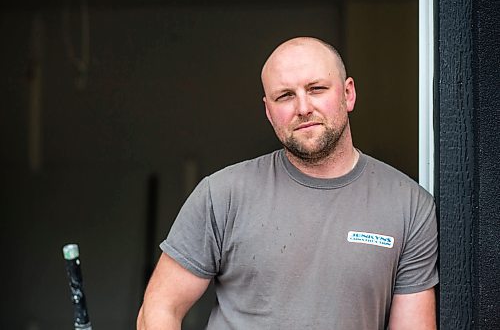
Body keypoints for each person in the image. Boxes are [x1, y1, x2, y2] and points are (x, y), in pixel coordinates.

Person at [137, 37, 438, 330]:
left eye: (316, 89)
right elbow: (160, 308)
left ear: (348, 94)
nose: (303, 107)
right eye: (285, 96)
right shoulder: (223, 194)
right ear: (268, 111)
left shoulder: (408, 206)